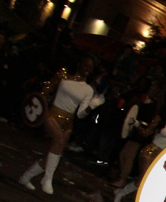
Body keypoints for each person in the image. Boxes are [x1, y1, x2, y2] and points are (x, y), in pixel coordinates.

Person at [19, 55, 104, 194]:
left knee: (54, 154)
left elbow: (80, 114)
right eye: (85, 65)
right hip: (52, 115)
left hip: (68, 122)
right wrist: (40, 106)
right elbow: (45, 91)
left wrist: (92, 106)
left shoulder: (88, 90)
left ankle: (26, 176)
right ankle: (47, 178)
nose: (87, 68)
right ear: (79, 64)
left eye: (90, 67)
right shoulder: (64, 76)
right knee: (58, 142)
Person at [114, 103, 166, 202]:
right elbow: (146, 133)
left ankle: (122, 192)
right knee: (143, 178)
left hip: (160, 156)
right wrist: (137, 124)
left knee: (147, 180)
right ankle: (121, 193)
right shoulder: (160, 120)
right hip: (149, 151)